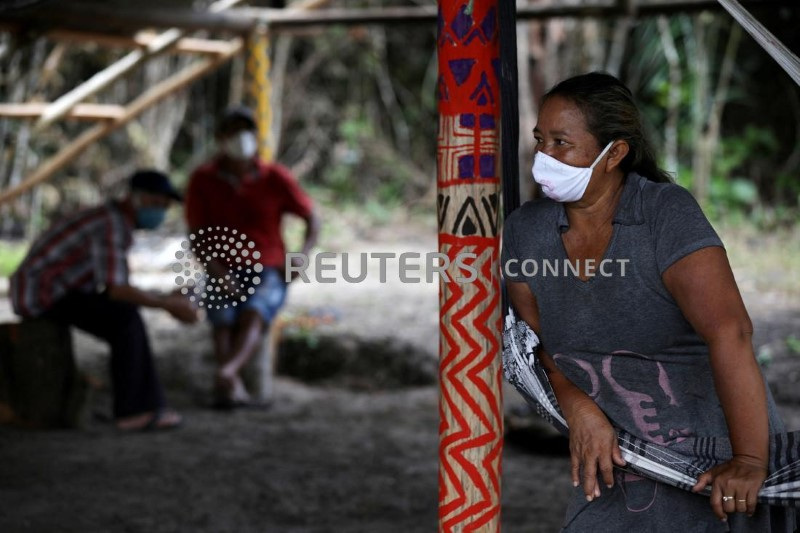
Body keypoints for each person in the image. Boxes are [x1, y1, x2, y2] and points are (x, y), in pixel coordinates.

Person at [501, 72, 796, 531]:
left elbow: (730, 333)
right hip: (618, 463)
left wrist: (750, 460)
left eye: (562, 143)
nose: (545, 158)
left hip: (720, 460)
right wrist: (578, 405)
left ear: (614, 153)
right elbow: (533, 343)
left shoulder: (664, 215)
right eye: (541, 140)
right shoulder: (527, 232)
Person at [10, 170, 199, 431]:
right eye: (157, 204)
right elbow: (117, 290)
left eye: (164, 206)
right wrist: (168, 304)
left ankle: (142, 405)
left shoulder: (111, 220)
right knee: (125, 318)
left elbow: (115, 284)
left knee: (124, 314)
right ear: (137, 199)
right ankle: (135, 411)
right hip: (42, 295)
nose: (161, 212)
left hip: (57, 290)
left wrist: (165, 299)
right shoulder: (111, 224)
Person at [185, 106, 319, 408]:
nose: (240, 139)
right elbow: (197, 235)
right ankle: (231, 381)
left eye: (245, 132)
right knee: (222, 317)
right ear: (220, 138)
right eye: (233, 132)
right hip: (221, 266)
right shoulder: (203, 180)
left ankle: (226, 373)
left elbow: (312, 218)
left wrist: (302, 255)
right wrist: (219, 274)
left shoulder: (275, 178)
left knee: (254, 311)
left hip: (268, 266)